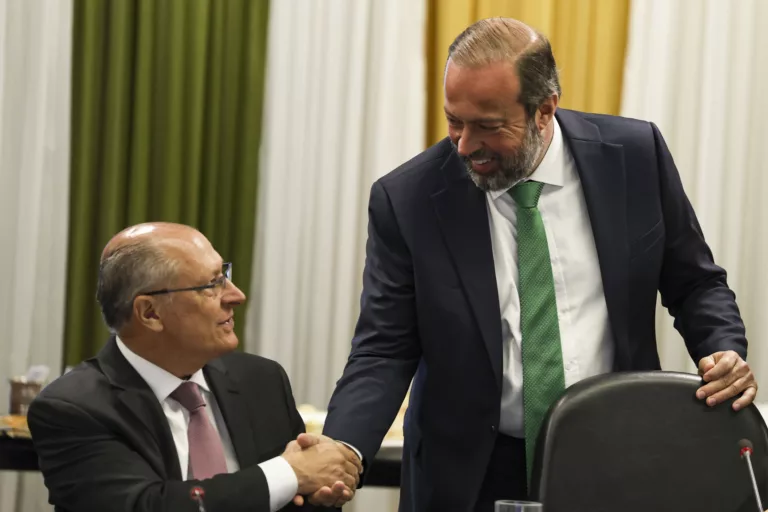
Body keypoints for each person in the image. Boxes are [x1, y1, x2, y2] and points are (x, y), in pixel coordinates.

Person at [322, 17, 758, 512]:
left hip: (617, 456)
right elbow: (383, 348)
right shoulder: (409, 200)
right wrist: (343, 448)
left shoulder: (633, 157)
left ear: (544, 110)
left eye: (487, 126)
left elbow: (695, 282)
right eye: (453, 121)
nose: (464, 145)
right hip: (469, 476)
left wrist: (722, 348)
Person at [28, 222, 360, 512]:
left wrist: (320, 490)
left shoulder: (261, 380)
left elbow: (301, 496)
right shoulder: (74, 409)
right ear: (150, 314)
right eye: (210, 285)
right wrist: (290, 473)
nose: (236, 295)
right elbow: (150, 505)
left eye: (224, 275)